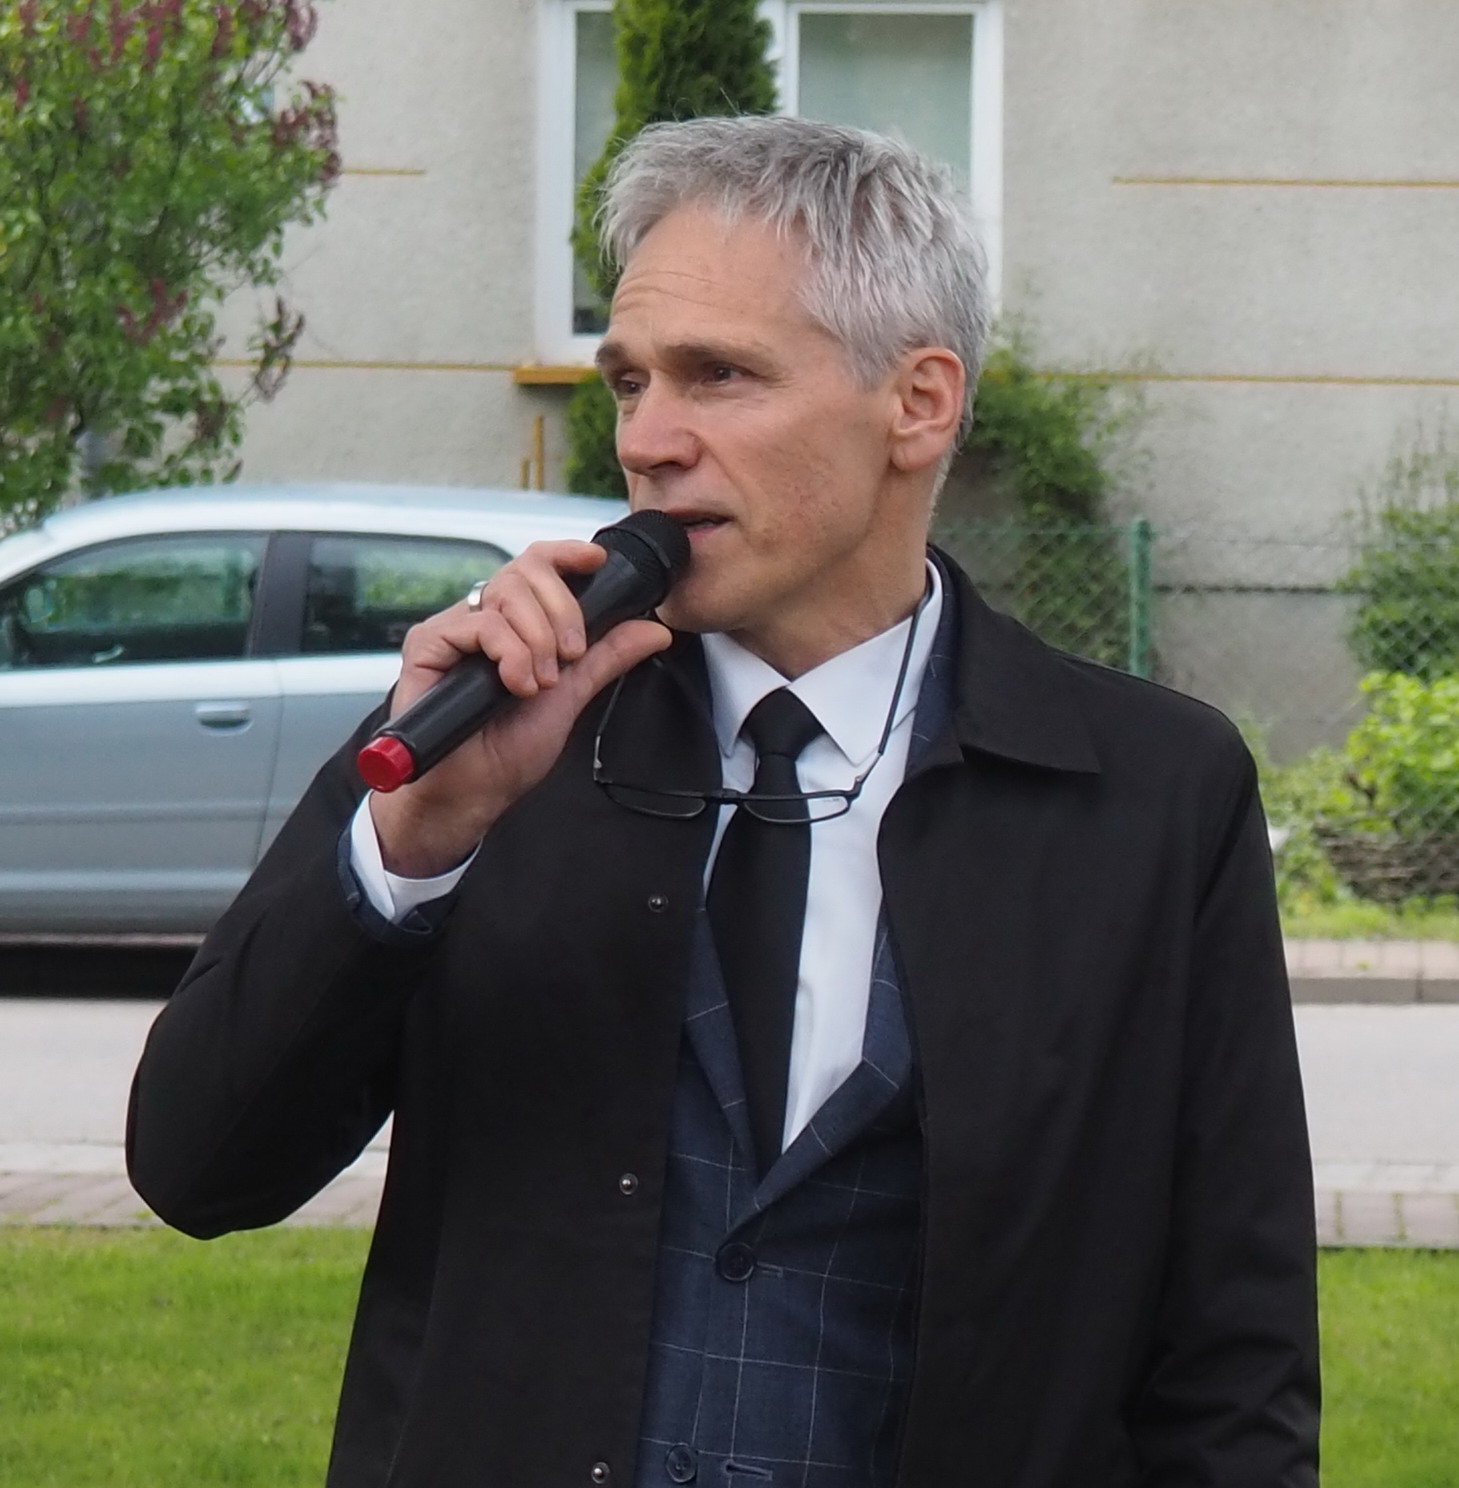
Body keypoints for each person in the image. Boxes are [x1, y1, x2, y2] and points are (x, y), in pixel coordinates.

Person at [128, 116, 1319, 1488]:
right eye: (629, 381)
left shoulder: (1151, 796)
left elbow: (1231, 1360)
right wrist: (409, 853)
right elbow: (198, 1167)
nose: (648, 439)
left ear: (919, 403)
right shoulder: (486, 736)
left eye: (719, 375)